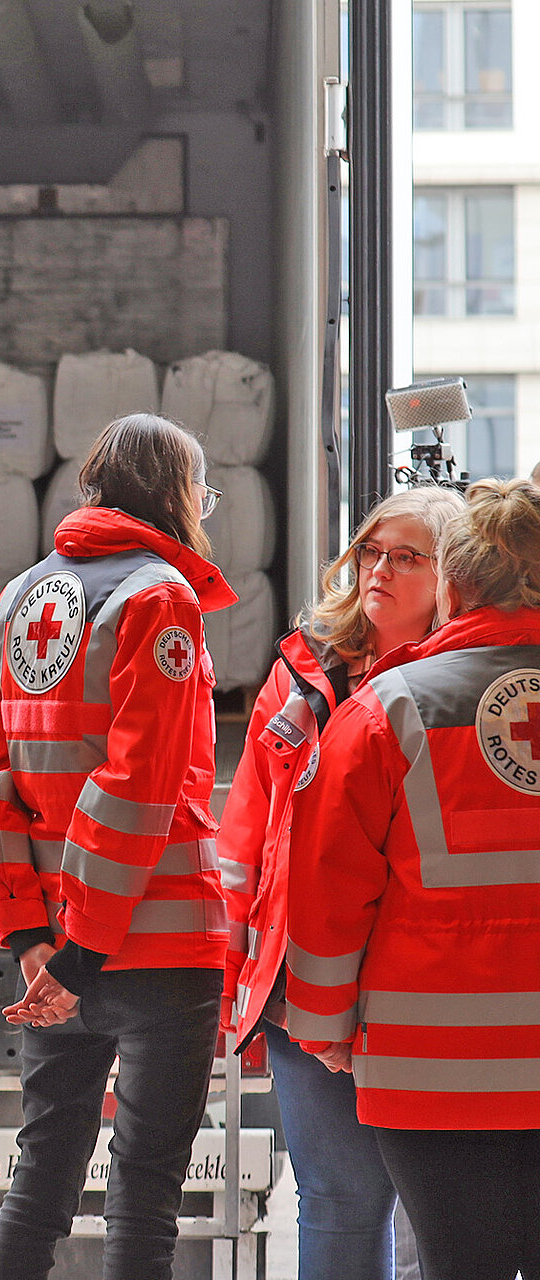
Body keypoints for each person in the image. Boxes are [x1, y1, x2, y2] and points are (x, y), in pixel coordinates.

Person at [0, 413, 235, 1280]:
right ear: (176, 495)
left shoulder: (17, 599)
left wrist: (28, 937)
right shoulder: (159, 599)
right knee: (144, 1202)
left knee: (39, 1184)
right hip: (154, 943)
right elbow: (138, 788)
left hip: (56, 952)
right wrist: (81, 952)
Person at [285, 478, 540, 1280]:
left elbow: (326, 892)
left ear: (455, 586)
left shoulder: (386, 711)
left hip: (431, 1072)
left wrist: (323, 1025)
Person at [218, 487, 462, 1280]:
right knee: (335, 1201)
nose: (379, 570)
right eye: (370, 551)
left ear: (451, 572)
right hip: (303, 979)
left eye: (407, 557)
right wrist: (234, 963)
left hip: (418, 986)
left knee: (444, 1212)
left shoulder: (469, 682)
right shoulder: (301, 668)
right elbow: (246, 829)